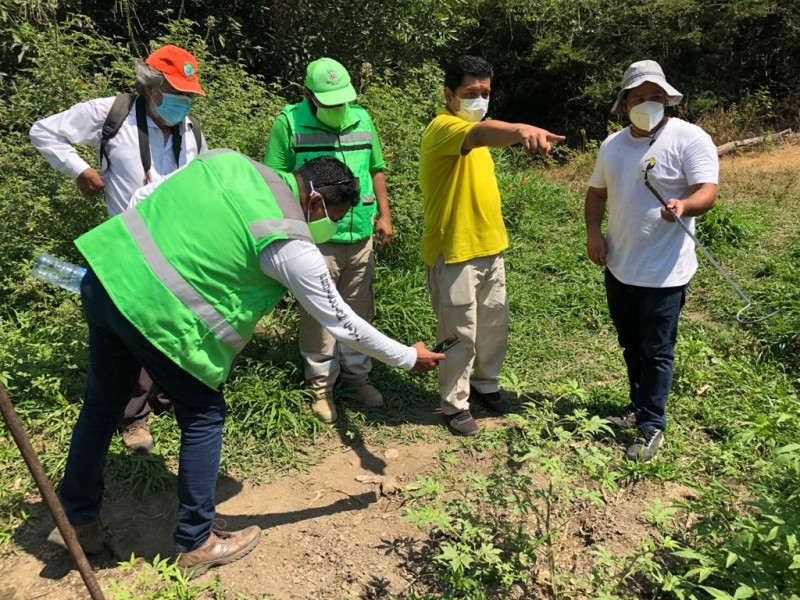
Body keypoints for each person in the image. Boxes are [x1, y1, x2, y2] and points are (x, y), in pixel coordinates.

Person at [46, 150, 444, 575]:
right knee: (203, 415)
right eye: (330, 215)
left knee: (103, 402)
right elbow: (342, 321)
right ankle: (196, 541)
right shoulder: (290, 240)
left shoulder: (226, 161)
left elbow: (146, 194)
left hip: (106, 276)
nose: (323, 228)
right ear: (314, 201)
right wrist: (408, 356)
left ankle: (76, 519)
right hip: (153, 316)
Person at [30, 44, 208, 454]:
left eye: (187, 95)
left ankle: (171, 399)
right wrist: (81, 170)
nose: (181, 102)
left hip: (178, 250)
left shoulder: (190, 130)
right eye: (174, 91)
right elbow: (43, 130)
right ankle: (134, 419)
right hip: (128, 248)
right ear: (151, 85)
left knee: (176, 328)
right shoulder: (112, 114)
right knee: (132, 332)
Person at [418, 55, 565, 436]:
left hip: (489, 247)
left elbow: (485, 132)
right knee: (458, 332)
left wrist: (511, 131)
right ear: (449, 94)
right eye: (470, 93)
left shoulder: (478, 127)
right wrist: (521, 130)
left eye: (485, 93)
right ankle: (454, 404)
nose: (479, 100)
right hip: (454, 252)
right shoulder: (444, 128)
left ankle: (486, 385)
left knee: (493, 326)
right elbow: (481, 135)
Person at [584, 59, 719, 461]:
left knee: (657, 351)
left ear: (668, 100)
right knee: (630, 345)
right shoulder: (612, 145)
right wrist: (594, 232)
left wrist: (685, 204)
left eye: (655, 97)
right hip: (620, 265)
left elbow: (707, 191)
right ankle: (638, 406)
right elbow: (596, 194)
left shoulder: (690, 138)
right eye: (639, 97)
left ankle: (651, 424)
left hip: (665, 271)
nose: (648, 103)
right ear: (624, 103)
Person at [264, 57, 392, 423]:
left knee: (359, 308)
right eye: (329, 102)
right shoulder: (288, 124)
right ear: (307, 94)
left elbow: (376, 168)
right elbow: (275, 183)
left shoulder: (362, 118)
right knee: (319, 315)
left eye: (342, 101)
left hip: (359, 234)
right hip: (316, 238)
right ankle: (320, 387)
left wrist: (384, 215)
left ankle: (357, 376)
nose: (338, 108)